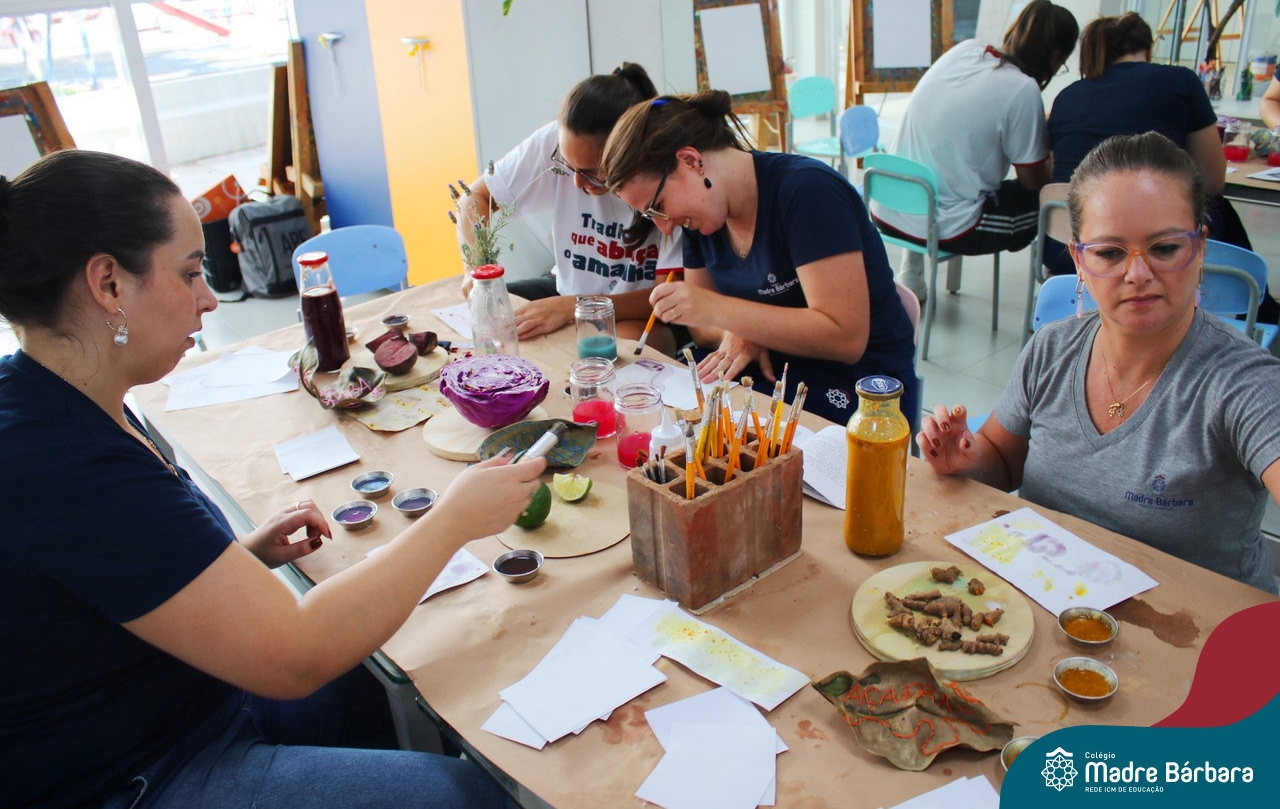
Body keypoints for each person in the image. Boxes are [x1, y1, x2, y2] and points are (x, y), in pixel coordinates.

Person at [0, 150, 546, 808]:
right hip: (140, 772)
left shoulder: (49, 396)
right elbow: (296, 655)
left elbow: (110, 574)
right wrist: (452, 520)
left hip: (178, 701)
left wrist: (234, 560)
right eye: (190, 273)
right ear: (109, 284)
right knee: (461, 796)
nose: (209, 299)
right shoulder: (63, 465)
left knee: (373, 680)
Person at [917, 133, 1280, 594]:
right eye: (1109, 253)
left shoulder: (1242, 383)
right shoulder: (1053, 349)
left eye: (1165, 248)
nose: (1138, 274)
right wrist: (965, 458)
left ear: (1200, 247)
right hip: (1051, 600)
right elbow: (1005, 461)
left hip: (1195, 629)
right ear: (1079, 260)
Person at [600, 91, 918, 428]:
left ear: (691, 161)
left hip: (859, 384)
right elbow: (702, 328)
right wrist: (740, 331)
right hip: (770, 370)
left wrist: (729, 315)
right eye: (650, 216)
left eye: (659, 206)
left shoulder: (809, 192)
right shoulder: (703, 217)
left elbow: (846, 337)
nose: (665, 227)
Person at [1047, 13, 1279, 321]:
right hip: (1103, 248)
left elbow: (1054, 171)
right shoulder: (1180, 81)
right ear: (1148, 50)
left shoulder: (1066, 97)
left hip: (1061, 243)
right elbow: (1213, 180)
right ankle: (1260, 313)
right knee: (1216, 210)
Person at [454, 63, 683, 356]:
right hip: (564, 290)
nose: (576, 183)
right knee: (489, 323)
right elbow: (474, 198)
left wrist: (575, 307)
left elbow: (669, 298)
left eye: (592, 172)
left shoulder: (664, 178)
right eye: (567, 166)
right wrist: (474, 268)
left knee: (610, 355)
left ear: (628, 153)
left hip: (639, 312)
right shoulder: (557, 141)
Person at [872, 0, 1079, 301]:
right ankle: (1063, 296)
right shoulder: (1023, 89)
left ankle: (911, 272)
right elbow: (1033, 181)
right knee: (1049, 203)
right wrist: (1050, 150)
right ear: (1056, 56)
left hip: (888, 204)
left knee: (942, 169)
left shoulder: (965, 50)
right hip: (949, 227)